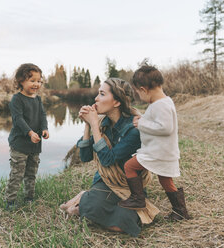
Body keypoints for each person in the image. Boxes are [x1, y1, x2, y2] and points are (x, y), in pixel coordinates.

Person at [72, 78, 159, 236]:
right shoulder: (103, 124)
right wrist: (87, 126)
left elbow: (107, 159)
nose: (96, 98)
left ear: (117, 102)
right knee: (92, 209)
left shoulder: (133, 129)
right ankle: (85, 198)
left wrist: (94, 126)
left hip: (129, 187)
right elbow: (85, 158)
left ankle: (82, 200)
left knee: (121, 226)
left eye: (102, 94)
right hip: (105, 182)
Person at [118, 65, 190, 221]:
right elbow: (156, 121)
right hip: (163, 151)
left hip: (158, 152)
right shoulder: (163, 102)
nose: (138, 95)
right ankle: (180, 211)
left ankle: (138, 198)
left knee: (129, 166)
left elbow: (165, 128)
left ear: (143, 89)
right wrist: (140, 115)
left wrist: (140, 124)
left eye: (138, 92)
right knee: (165, 179)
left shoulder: (160, 105)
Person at [4, 63, 49, 210]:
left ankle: (29, 198)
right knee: (17, 173)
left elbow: (42, 115)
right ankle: (10, 201)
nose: (36, 84)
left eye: (38, 81)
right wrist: (29, 133)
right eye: (32, 80)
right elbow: (18, 120)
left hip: (35, 144)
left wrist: (44, 129)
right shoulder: (17, 100)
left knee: (31, 173)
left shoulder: (37, 99)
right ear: (21, 81)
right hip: (20, 144)